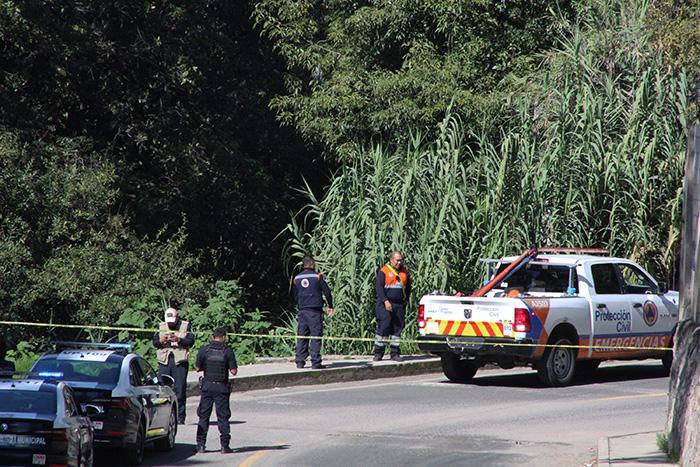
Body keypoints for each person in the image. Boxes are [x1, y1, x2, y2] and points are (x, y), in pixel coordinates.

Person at [195, 327, 238, 454]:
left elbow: (197, 368)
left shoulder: (204, 350)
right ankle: (225, 446)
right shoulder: (227, 351)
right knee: (223, 417)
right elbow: (234, 372)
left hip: (207, 387)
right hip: (222, 388)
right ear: (223, 337)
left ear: (213, 336)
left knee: (203, 416)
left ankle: (201, 445)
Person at [152, 307, 194, 424]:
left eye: (172, 322)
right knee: (163, 389)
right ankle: (162, 417)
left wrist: (179, 339)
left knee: (180, 390)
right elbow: (154, 342)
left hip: (179, 362)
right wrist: (161, 340)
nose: (170, 324)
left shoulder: (186, 326)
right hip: (164, 361)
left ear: (177, 318)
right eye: (169, 322)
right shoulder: (161, 326)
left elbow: (191, 341)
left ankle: (180, 417)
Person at [292, 255, 334, 369]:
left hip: (302, 311)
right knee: (316, 336)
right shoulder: (317, 276)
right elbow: (327, 292)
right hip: (315, 311)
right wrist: (330, 306)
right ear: (312, 263)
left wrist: (300, 305)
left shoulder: (297, 278)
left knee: (302, 336)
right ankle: (315, 362)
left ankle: (300, 361)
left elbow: (295, 295)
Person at [374, 251, 412, 362]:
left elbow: (408, 287)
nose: (399, 262)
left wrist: (406, 300)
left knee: (397, 329)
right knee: (384, 326)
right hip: (385, 303)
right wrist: (385, 301)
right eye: (397, 260)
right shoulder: (384, 271)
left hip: (399, 304)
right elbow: (379, 288)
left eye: (400, 260)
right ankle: (378, 353)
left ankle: (395, 353)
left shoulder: (404, 272)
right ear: (391, 260)